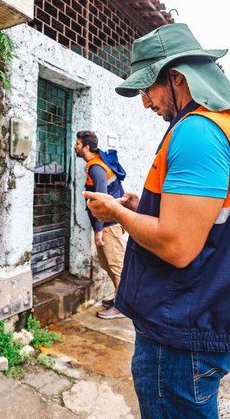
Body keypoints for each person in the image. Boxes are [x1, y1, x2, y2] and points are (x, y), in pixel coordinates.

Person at [83, 23, 230, 418]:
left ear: (177, 78)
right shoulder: (226, 126)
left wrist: (116, 211)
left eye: (148, 88)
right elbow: (202, 218)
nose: (146, 102)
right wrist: (141, 208)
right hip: (198, 312)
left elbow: (177, 245)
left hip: (183, 322)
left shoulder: (197, 132)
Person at [74, 130, 127, 319]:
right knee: (108, 264)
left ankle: (122, 306)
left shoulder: (96, 167)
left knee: (116, 265)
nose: (75, 147)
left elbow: (102, 201)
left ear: (86, 147)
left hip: (109, 224)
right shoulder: (95, 164)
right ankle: (119, 298)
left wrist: (98, 230)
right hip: (107, 224)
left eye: (78, 144)